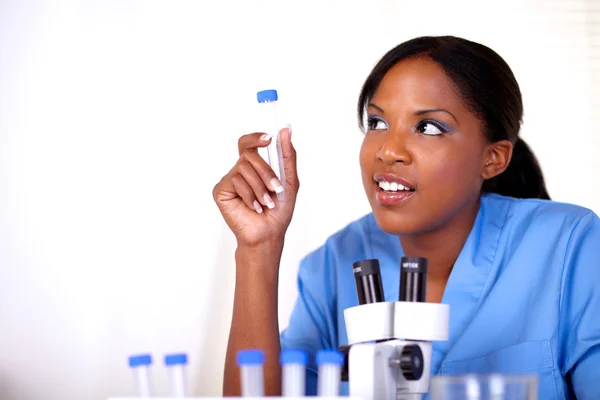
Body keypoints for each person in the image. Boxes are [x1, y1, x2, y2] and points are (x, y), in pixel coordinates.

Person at [212, 35, 600, 399]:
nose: (388, 151)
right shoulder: (334, 263)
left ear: (492, 158)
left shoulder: (570, 246)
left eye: (428, 127)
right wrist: (258, 249)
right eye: (377, 123)